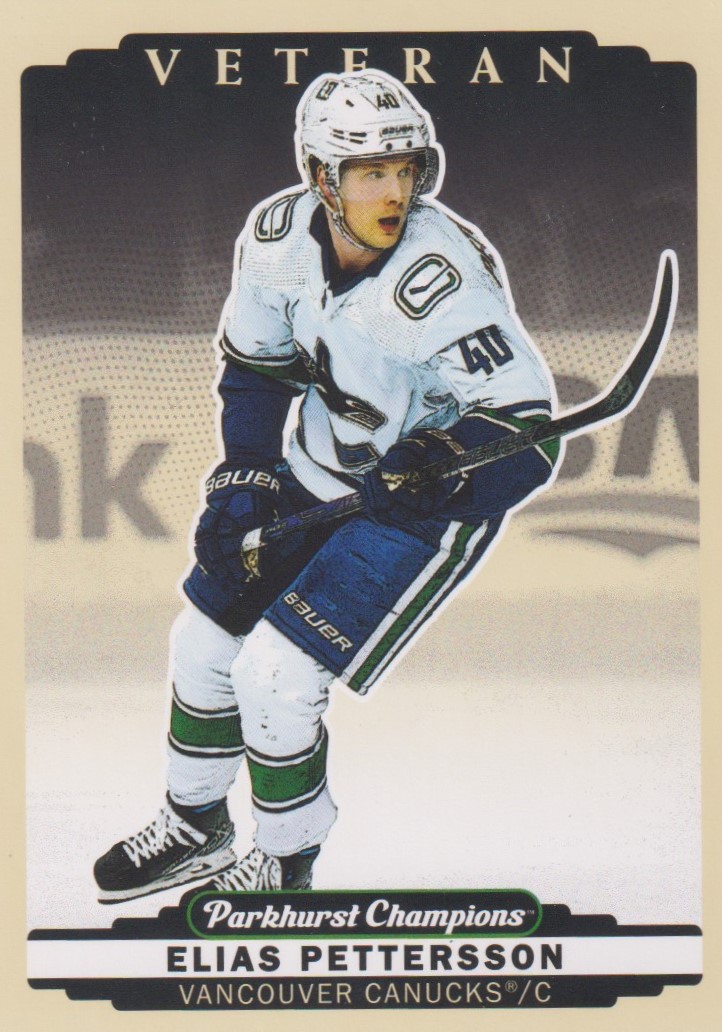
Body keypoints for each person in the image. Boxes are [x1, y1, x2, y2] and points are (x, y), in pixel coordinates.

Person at [94, 69, 560, 901]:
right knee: (202, 645)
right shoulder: (275, 236)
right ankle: (196, 827)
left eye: (405, 170)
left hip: (426, 505)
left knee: (275, 675)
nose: (395, 192)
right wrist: (244, 475)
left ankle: (284, 863)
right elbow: (256, 369)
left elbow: (527, 437)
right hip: (316, 469)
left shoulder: (440, 278)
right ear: (320, 176)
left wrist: (441, 463)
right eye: (371, 172)